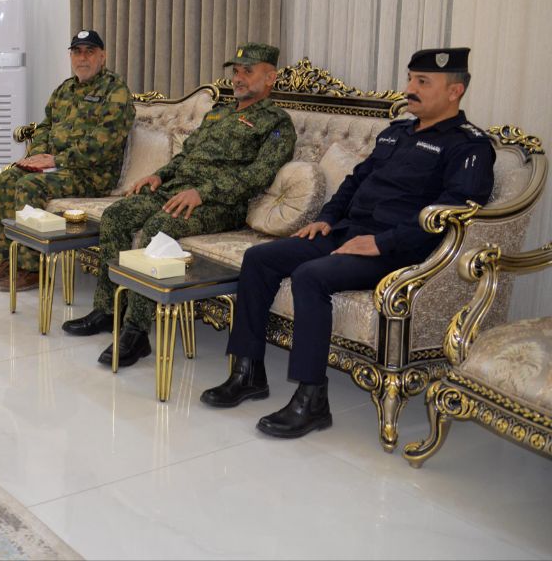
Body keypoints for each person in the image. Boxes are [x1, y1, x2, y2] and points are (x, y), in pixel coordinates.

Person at [200, 47, 494, 438]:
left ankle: (312, 400)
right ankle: (248, 372)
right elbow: (355, 182)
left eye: (422, 82)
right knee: (259, 259)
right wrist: (326, 219)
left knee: (310, 276)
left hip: (400, 252)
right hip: (348, 232)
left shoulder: (469, 147)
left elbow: (453, 214)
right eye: (410, 78)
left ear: (455, 91)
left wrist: (383, 243)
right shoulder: (397, 133)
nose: (410, 88)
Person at [63, 42, 297, 368]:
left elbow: (259, 175)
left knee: (158, 229)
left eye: (248, 71)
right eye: (236, 71)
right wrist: (158, 176)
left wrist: (203, 192)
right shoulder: (219, 113)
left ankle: (136, 332)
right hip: (176, 191)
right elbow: (187, 156)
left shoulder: (277, 123)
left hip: (219, 204)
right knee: (116, 215)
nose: (238, 78)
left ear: (270, 77)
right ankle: (108, 310)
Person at [0, 29, 134, 292]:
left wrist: (56, 160)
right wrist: (38, 155)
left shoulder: (115, 91)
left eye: (90, 52)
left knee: (29, 185)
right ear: (71, 57)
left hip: (92, 174)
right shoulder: (64, 90)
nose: (82, 58)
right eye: (77, 52)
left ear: (103, 56)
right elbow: (45, 127)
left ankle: (32, 269)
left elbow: (104, 144)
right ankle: (8, 260)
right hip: (57, 167)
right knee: (7, 178)